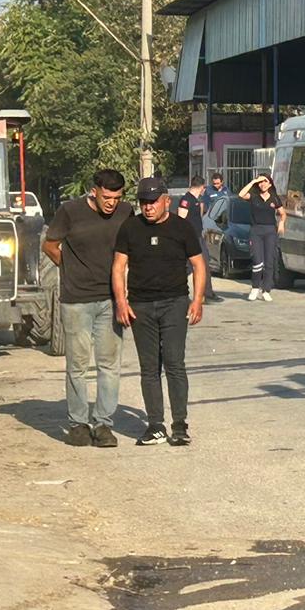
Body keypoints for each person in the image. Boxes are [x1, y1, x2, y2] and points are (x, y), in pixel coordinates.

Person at [112, 176, 206, 447]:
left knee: (175, 363)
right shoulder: (130, 228)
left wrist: (197, 301)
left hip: (174, 303)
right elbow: (118, 267)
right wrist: (122, 302)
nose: (148, 207)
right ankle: (155, 425)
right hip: (140, 306)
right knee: (149, 367)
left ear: (167, 200)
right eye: (144, 202)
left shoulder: (182, 228)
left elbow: (199, 266)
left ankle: (179, 425)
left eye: (153, 201)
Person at [42, 170, 132, 448]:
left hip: (110, 299)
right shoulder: (70, 211)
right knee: (77, 366)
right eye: (107, 197)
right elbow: (50, 245)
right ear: (94, 191)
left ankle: (104, 424)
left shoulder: (126, 212)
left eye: (117, 198)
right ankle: (78, 424)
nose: (111, 203)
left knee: (109, 366)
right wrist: (69, 269)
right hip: (77, 300)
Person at [239, 172, 286, 302]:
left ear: (270, 183)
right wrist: (253, 181)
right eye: (260, 182)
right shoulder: (253, 196)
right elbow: (241, 194)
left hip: (270, 231)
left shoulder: (274, 198)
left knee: (269, 262)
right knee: (257, 261)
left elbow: (282, 213)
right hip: (256, 231)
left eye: (265, 181)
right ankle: (255, 287)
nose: (263, 184)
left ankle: (266, 289)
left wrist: (281, 223)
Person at [176, 175, 221, 303]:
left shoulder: (197, 200)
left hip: (198, 237)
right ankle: (177, 291)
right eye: (203, 188)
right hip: (189, 239)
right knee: (188, 267)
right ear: (202, 187)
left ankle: (207, 294)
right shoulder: (186, 200)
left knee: (205, 264)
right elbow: (181, 220)